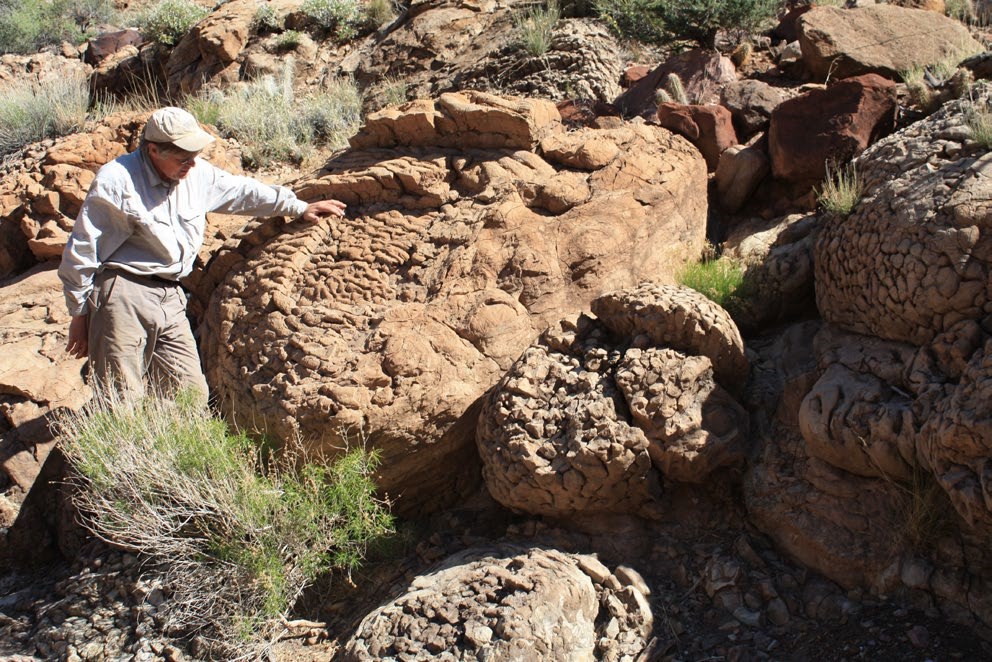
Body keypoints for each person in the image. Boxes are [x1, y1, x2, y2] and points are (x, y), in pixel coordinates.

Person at [59, 106, 346, 397]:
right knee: (120, 397)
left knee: (189, 395)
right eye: (184, 157)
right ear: (154, 150)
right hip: (123, 294)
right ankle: (127, 443)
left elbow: (241, 192)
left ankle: (172, 442)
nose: (192, 165)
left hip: (171, 295)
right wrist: (80, 315)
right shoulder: (118, 180)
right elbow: (83, 249)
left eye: (195, 156)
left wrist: (298, 206)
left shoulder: (195, 174)